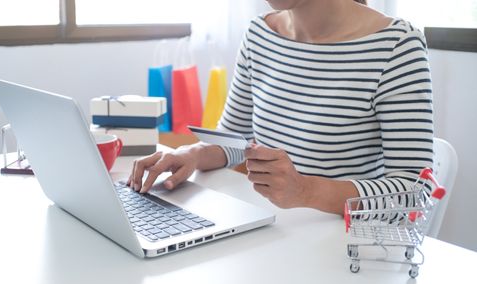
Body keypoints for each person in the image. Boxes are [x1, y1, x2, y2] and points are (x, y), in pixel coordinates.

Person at [128, 0, 433, 215]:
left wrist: (305, 192)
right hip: (273, 235)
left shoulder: (397, 46)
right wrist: (192, 154)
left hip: (344, 253)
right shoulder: (259, 34)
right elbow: (236, 141)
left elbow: (412, 194)